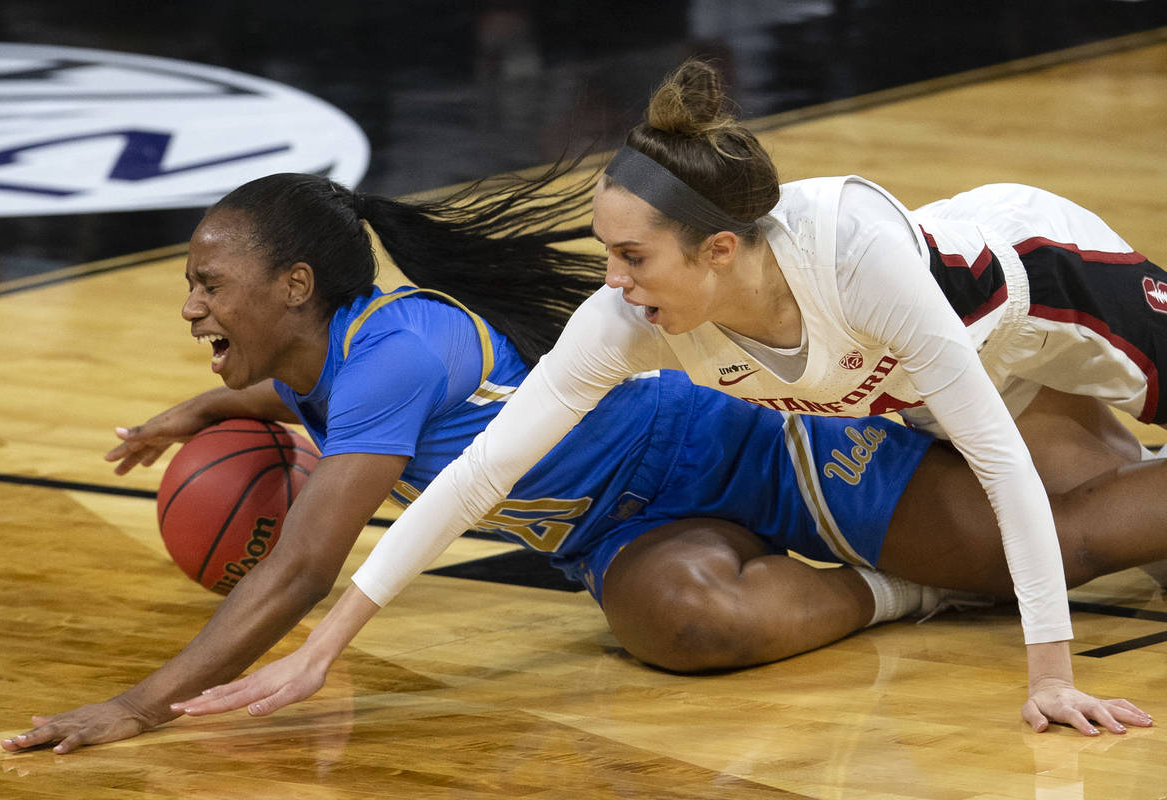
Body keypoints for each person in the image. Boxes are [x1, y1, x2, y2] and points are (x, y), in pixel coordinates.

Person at [161, 59, 1167, 738]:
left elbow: (994, 452)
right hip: (895, 383)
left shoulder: (857, 258)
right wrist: (325, 648)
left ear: (717, 249)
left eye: (632, 253)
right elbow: (481, 468)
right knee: (690, 623)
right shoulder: (630, 310)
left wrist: (1051, 676)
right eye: (609, 251)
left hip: (1044, 289)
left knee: (1077, 524)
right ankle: (928, 578)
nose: (614, 278)